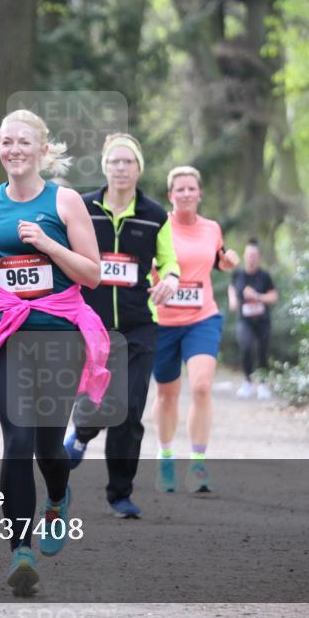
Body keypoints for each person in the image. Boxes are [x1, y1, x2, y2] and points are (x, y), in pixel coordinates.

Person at [0, 109, 108, 596]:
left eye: (23, 142)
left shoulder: (64, 202)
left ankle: (58, 497)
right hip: (3, 331)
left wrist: (48, 245)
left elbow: (93, 273)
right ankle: (20, 550)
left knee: (46, 445)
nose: (13, 149)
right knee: (17, 440)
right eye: (5, 141)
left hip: (59, 334)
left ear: (43, 149)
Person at [63, 133, 181, 519]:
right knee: (99, 404)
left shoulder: (154, 215)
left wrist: (172, 281)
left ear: (138, 168)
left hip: (138, 325)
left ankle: (120, 494)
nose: (121, 168)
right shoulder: (83, 208)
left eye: (128, 162)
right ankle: (81, 433)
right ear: (104, 166)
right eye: (114, 161)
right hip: (91, 323)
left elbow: (170, 262)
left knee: (129, 410)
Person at [151, 166, 239, 494]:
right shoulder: (159, 227)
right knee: (167, 394)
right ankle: (165, 457)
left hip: (202, 318)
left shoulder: (212, 228)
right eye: (180, 189)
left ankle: (198, 464)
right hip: (163, 322)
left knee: (201, 386)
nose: (186, 194)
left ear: (200, 193)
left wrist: (230, 260)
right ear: (170, 196)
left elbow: (221, 258)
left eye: (192, 188)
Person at [228, 238, 278, 400]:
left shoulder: (264, 276)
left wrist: (258, 296)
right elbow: (232, 287)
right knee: (246, 346)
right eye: (249, 254)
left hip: (262, 320)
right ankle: (247, 382)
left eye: (254, 255)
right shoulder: (238, 275)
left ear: (259, 257)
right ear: (244, 256)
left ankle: (262, 384)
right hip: (245, 321)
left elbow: (273, 296)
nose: (251, 257)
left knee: (262, 351)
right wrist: (233, 300)